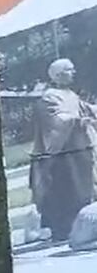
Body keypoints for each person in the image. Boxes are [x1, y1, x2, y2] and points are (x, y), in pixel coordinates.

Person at [30, 58, 97, 242]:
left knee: (84, 190)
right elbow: (56, 121)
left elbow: (87, 110)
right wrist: (76, 120)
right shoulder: (49, 97)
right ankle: (64, 229)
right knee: (68, 192)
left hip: (80, 152)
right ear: (59, 74)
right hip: (63, 156)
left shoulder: (70, 94)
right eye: (70, 69)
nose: (74, 72)